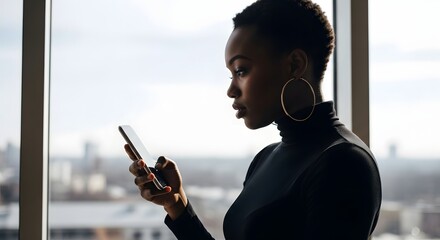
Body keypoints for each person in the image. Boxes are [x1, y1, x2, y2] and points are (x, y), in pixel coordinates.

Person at [124, 0, 382, 239]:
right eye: (231, 75)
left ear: (294, 64)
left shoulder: (344, 163)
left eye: (241, 71)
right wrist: (176, 204)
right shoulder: (265, 158)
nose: (231, 90)